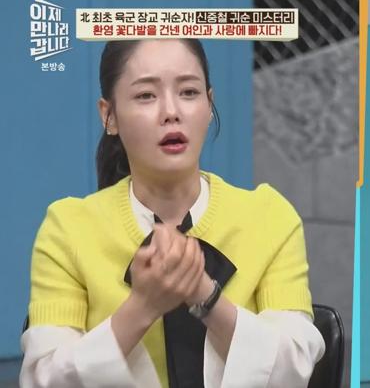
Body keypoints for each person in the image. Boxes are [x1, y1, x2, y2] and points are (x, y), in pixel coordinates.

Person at [20, 39, 325, 388]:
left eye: (189, 92)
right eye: (146, 95)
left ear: (209, 105)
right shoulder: (68, 229)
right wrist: (142, 306)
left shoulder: (270, 217)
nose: (171, 111)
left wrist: (205, 296)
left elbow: (294, 370)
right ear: (109, 116)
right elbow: (44, 379)